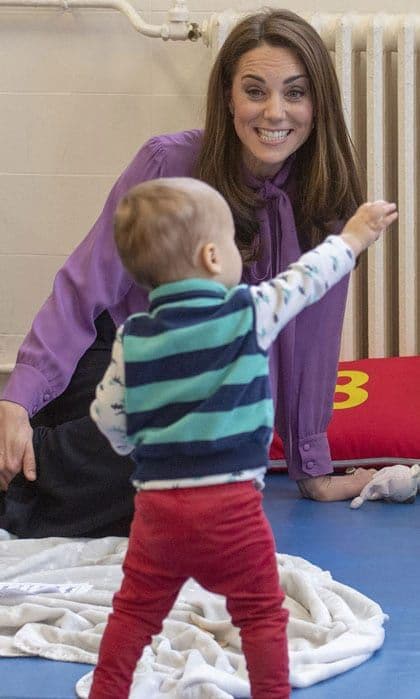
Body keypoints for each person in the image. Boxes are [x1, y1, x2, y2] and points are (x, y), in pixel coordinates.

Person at [0, 8, 377, 539]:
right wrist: (17, 399)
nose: (275, 112)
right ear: (228, 97)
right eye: (255, 91)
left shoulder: (328, 197)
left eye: (295, 93)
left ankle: (30, 470)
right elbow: (85, 287)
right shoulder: (167, 162)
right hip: (116, 358)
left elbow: (311, 337)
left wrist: (311, 466)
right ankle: (24, 465)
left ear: (318, 103)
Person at [87, 177, 397, 699]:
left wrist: (132, 446)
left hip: (157, 514)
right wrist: (355, 236)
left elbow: (109, 415)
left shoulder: (133, 337)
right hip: (231, 512)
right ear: (212, 257)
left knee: (134, 614)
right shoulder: (248, 311)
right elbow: (308, 278)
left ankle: (108, 691)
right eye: (233, 244)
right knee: (259, 614)